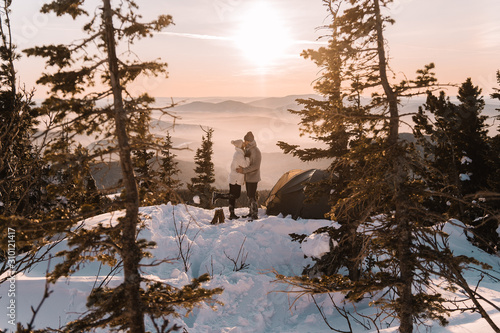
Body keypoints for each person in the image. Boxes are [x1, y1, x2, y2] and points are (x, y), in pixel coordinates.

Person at [212, 139, 249, 219]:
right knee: (236, 195)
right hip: (236, 178)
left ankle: (232, 214)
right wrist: (248, 157)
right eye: (242, 143)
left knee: (232, 196)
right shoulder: (239, 154)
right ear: (240, 145)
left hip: (234, 177)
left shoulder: (239, 153)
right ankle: (218, 195)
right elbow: (245, 165)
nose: (244, 145)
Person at [236, 131, 261, 220]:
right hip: (248, 177)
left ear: (249, 141)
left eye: (245, 140)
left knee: (252, 196)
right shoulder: (248, 149)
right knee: (249, 196)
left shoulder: (255, 151)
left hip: (253, 177)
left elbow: (256, 166)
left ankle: (254, 215)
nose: (244, 142)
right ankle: (251, 213)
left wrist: (243, 170)